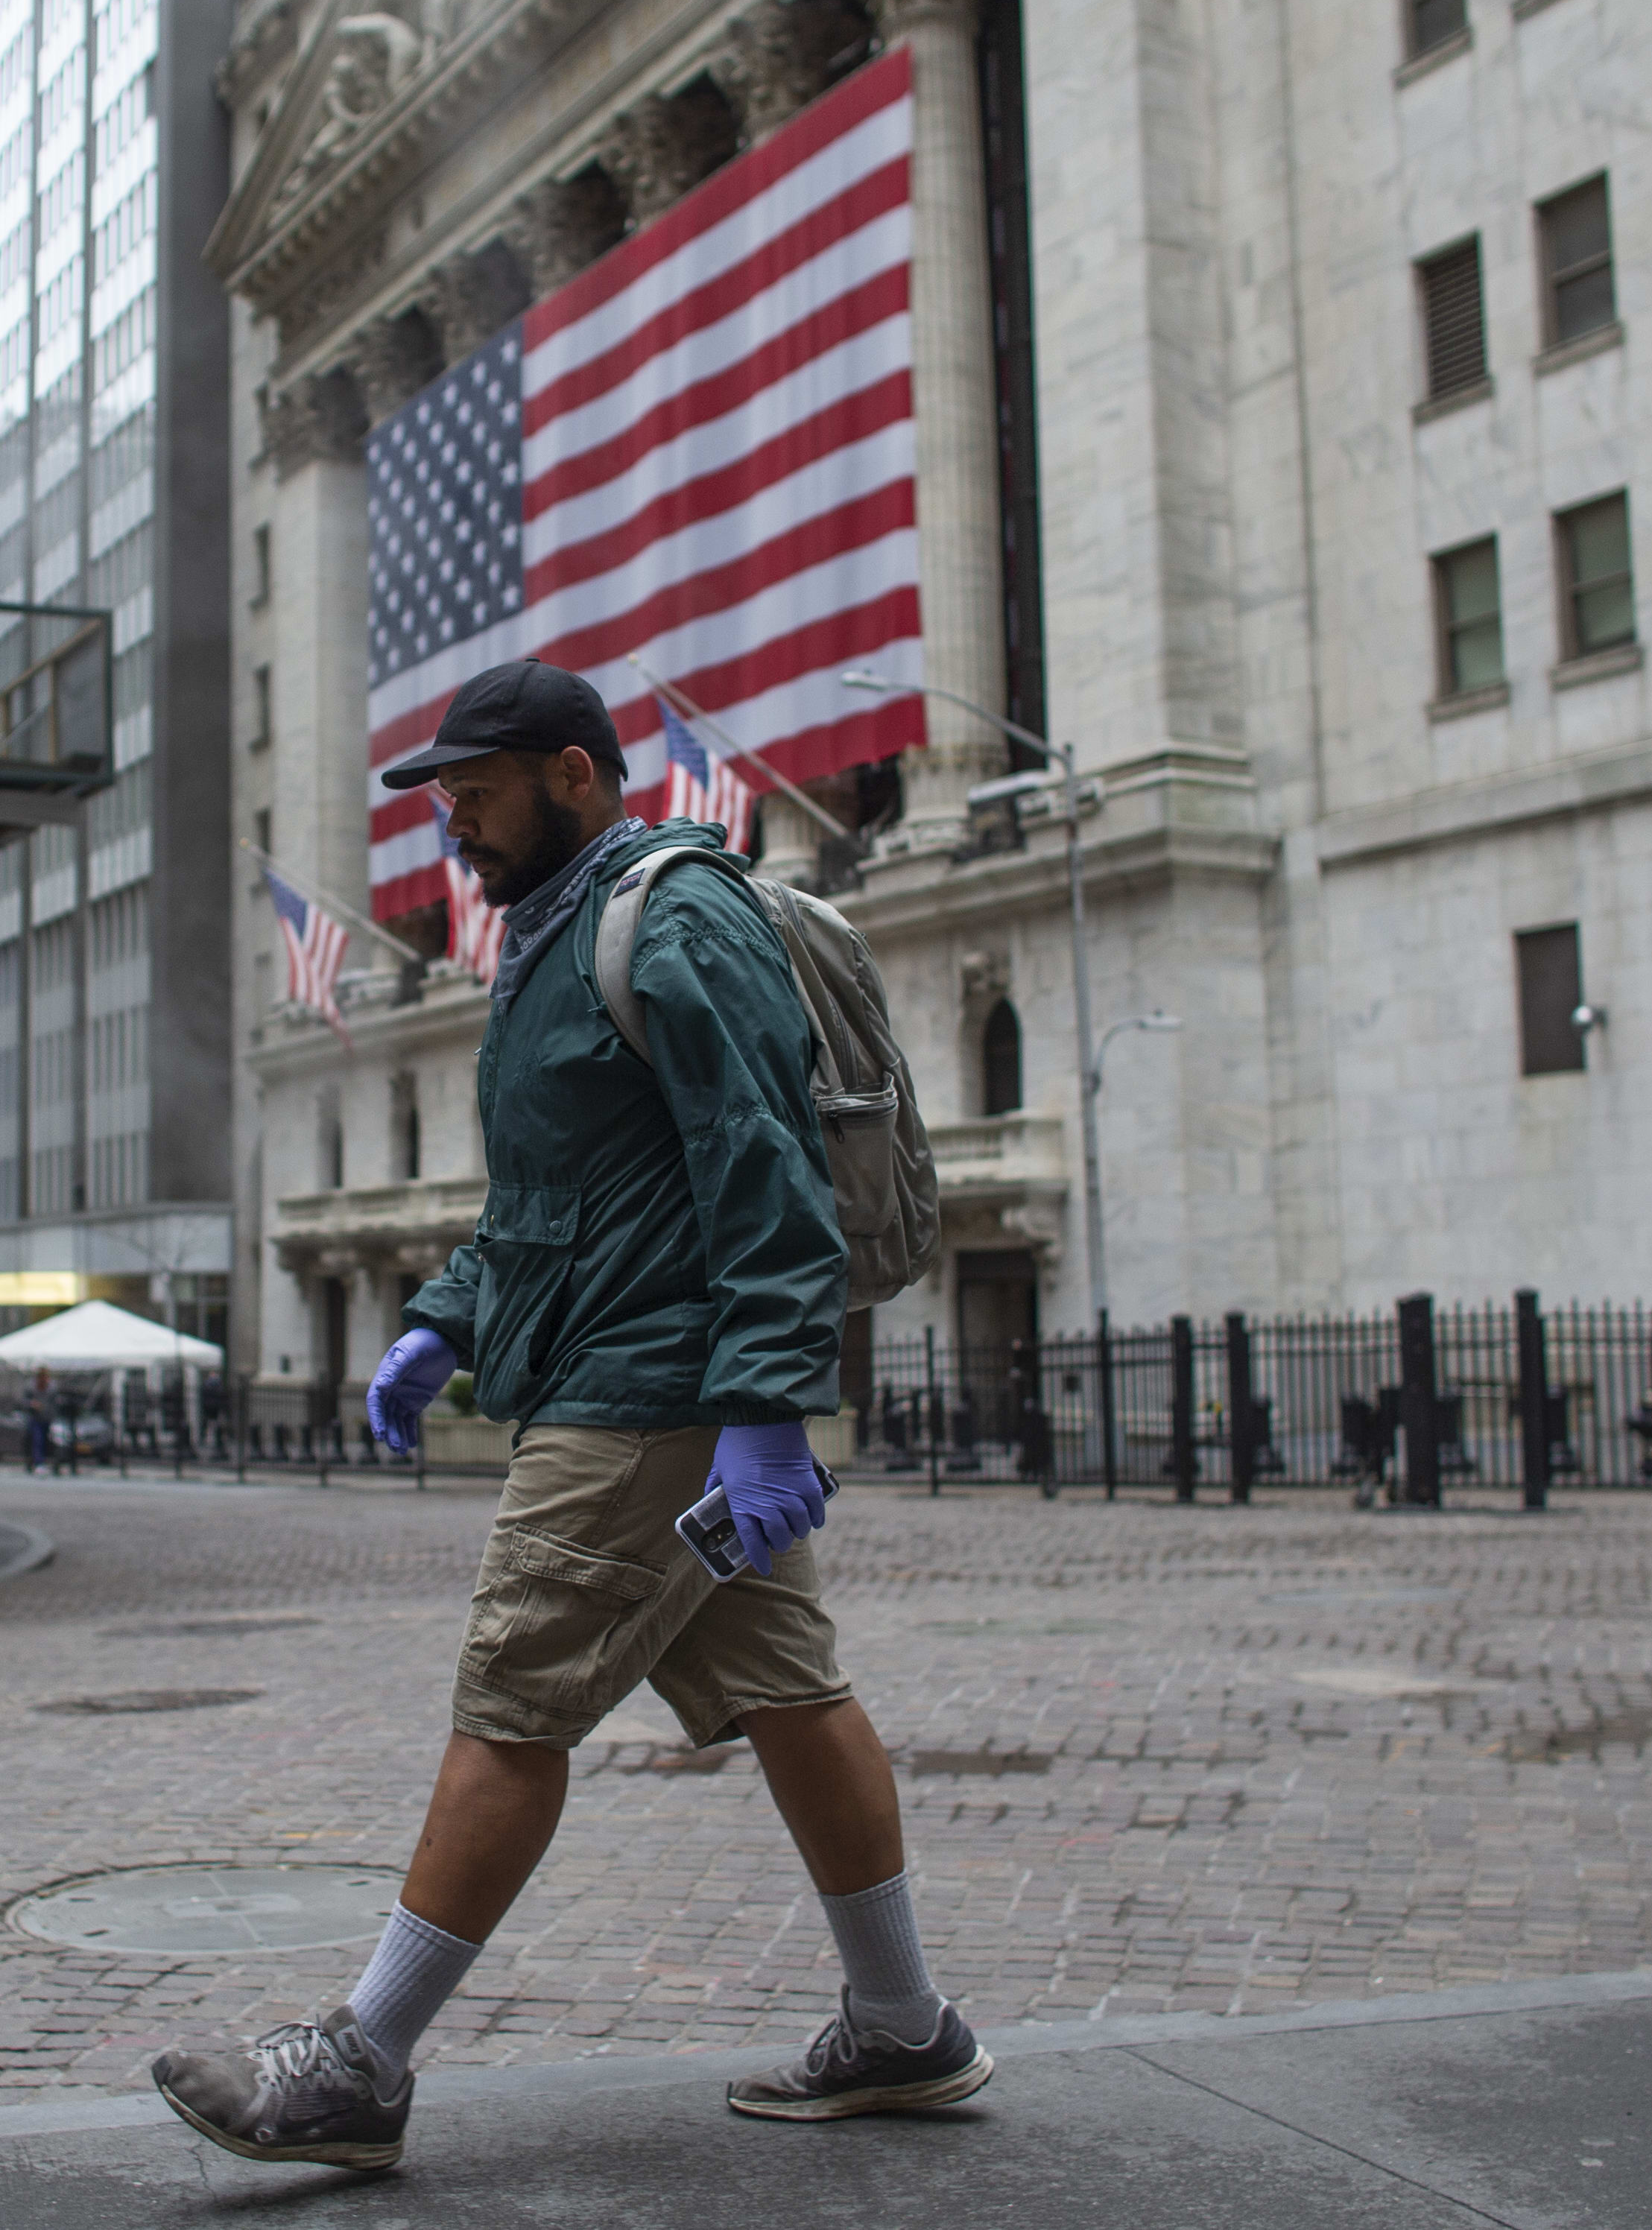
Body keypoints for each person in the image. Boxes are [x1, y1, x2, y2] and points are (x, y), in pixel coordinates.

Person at [151, 662, 984, 2172]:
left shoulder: (675, 913)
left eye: (475, 795)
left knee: (515, 1689)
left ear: (576, 776)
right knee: (792, 1691)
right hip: (623, 1362)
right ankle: (904, 2023)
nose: (453, 828)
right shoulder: (547, 944)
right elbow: (549, 1196)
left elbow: (767, 1169)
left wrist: (770, 1406)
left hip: (649, 1387)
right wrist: (442, 1318)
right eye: (447, 800)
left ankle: (359, 2058)